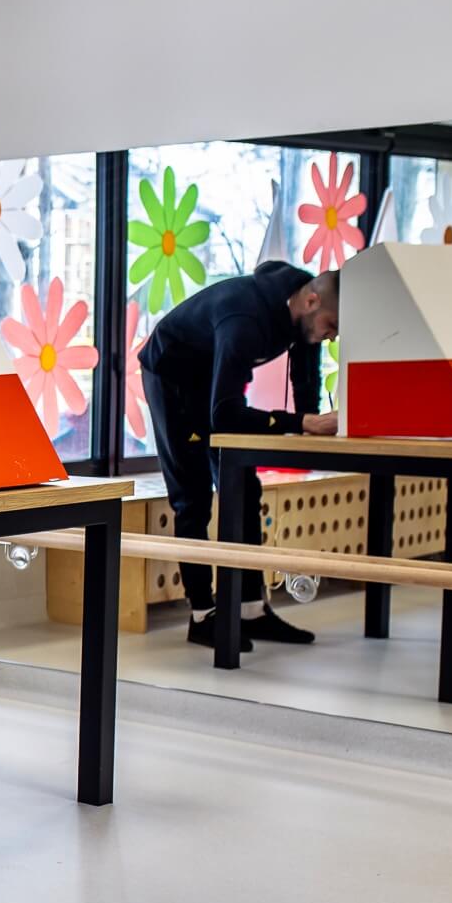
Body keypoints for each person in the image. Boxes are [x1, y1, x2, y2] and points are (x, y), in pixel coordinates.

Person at [139, 260, 341, 650]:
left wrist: (311, 423)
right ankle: (203, 615)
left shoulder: (302, 307)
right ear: (312, 302)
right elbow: (225, 415)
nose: (329, 336)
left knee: (245, 490)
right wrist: (300, 422)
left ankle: (250, 610)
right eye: (330, 326)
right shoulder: (244, 320)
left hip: (213, 376)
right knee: (193, 499)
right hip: (173, 375)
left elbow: (305, 376)